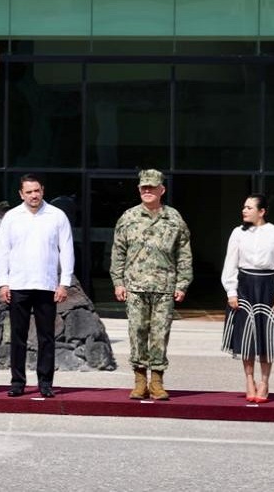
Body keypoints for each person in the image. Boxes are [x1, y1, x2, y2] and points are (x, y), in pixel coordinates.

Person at [110, 169, 193, 401]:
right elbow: (118, 252)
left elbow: (184, 254)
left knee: (160, 334)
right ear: (139, 190)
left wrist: (182, 283)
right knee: (137, 332)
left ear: (161, 190)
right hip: (135, 286)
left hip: (164, 286)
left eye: (152, 187)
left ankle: (156, 381)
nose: (147, 191)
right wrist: (118, 282)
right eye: (143, 187)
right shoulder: (128, 218)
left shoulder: (174, 219)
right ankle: (139, 380)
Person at [0, 173, 74, 398]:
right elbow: (2, 252)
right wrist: (3, 283)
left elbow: (66, 250)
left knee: (46, 337)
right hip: (18, 285)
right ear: (21, 194)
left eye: (36, 190)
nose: (33, 195)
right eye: (28, 192)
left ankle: (45, 383)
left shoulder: (57, 216)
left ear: (43, 190)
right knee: (17, 337)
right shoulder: (11, 217)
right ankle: (17, 382)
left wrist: (64, 283)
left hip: (46, 285)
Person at [220, 193, 274, 403]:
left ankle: (264, 381)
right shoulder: (238, 233)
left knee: (267, 336)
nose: (244, 210)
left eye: (249, 208)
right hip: (244, 286)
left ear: (262, 211)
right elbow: (230, 264)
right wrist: (231, 291)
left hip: (268, 286)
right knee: (246, 337)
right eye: (244, 207)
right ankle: (248, 380)